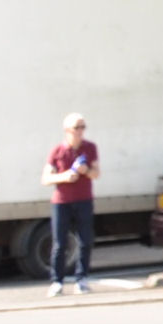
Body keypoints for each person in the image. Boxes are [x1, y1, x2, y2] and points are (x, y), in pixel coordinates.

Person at [43, 111, 98, 295]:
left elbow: (96, 173)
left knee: (85, 241)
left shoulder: (90, 148)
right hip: (62, 201)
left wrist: (86, 170)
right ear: (67, 130)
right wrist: (65, 176)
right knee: (60, 243)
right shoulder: (58, 151)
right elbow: (45, 178)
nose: (81, 131)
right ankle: (57, 281)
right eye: (77, 127)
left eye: (83, 127)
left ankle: (81, 279)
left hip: (84, 200)